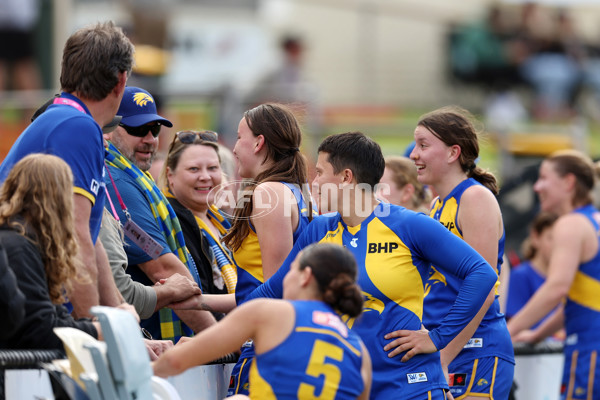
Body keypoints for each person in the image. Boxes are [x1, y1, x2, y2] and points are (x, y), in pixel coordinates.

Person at [220, 131, 498, 399]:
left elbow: (482, 273)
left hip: (409, 386)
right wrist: (213, 335)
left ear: (345, 177)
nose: (312, 183)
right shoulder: (319, 230)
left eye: (319, 173)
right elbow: (271, 293)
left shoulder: (409, 225)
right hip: (348, 387)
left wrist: (438, 338)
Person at [0, 21, 134, 318]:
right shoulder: (77, 126)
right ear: (121, 81)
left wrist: (120, 313)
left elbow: (89, 234)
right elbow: (76, 237)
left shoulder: (69, 118)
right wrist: (98, 333)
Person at [153, 243, 372, 400]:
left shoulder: (271, 312)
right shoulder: (359, 350)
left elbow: (174, 363)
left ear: (305, 276)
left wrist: (131, 375)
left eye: (290, 269)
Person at [399, 106, 514, 399]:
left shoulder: (474, 198)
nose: (414, 155)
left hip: (473, 347)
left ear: (453, 153)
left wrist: (442, 357)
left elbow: (485, 288)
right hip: (448, 345)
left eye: (423, 145)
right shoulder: (438, 205)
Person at [104, 86, 216, 342]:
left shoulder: (133, 177)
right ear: (109, 130)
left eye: (154, 129)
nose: (149, 139)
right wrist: (220, 341)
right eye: (137, 129)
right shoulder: (118, 182)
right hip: (151, 346)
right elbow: (164, 270)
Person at [220, 103, 314, 395]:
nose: (234, 148)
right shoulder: (297, 191)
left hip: (268, 345)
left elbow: (277, 288)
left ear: (259, 142)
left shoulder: (269, 192)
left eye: (239, 137)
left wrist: (218, 338)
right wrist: (197, 300)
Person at [507, 150, 600, 399]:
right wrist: (538, 335)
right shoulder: (593, 221)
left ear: (569, 182)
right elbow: (578, 297)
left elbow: (556, 288)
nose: (537, 187)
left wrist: (506, 333)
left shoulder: (570, 225)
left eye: (544, 178)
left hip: (590, 351)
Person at [0, 154, 112, 349]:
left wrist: (94, 328)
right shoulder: (18, 246)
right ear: (59, 200)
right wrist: (99, 331)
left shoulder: (24, 239)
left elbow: (52, 316)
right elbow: (38, 330)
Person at [160, 130, 237, 308]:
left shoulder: (224, 222)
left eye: (212, 168)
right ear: (170, 176)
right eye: (194, 169)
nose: (205, 177)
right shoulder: (171, 223)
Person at [505, 211, 558, 328]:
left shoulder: (568, 276)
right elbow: (512, 326)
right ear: (535, 237)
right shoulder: (520, 276)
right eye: (550, 238)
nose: (558, 244)